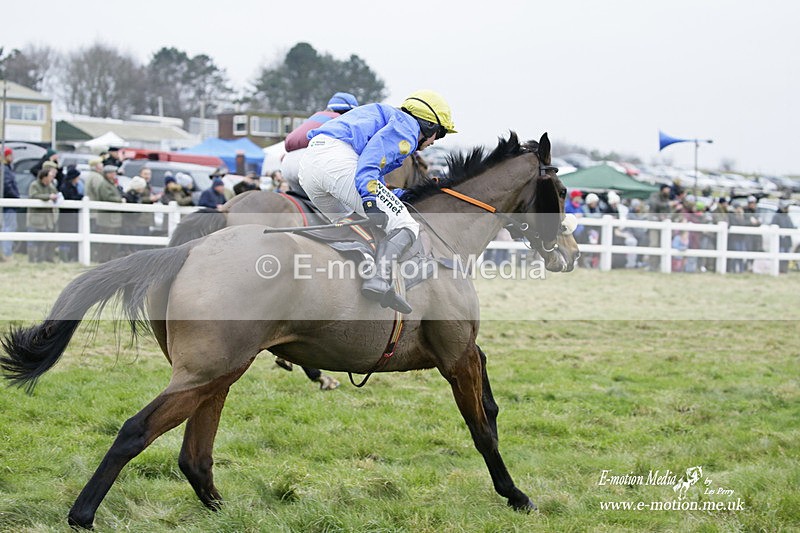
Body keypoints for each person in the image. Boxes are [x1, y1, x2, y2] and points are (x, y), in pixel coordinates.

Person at [299, 89, 456, 313]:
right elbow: (369, 162)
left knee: (352, 225)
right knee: (407, 225)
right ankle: (379, 280)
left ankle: (356, 278)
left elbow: (376, 174)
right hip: (337, 162)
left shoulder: (388, 119)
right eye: (439, 134)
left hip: (311, 167)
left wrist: (402, 196)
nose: (434, 142)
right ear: (429, 125)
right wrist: (370, 200)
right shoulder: (407, 128)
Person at [281, 92, 360, 192]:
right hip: (310, 164)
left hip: (287, 165)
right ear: (349, 111)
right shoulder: (344, 121)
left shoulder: (316, 116)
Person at [27, 168, 59, 262]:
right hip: (35, 218)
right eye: (49, 177)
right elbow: (33, 196)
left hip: (47, 219)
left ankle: (40, 259)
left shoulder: (50, 186)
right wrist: (48, 197)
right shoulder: (34, 185)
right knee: (32, 241)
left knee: (43, 241)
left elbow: (56, 193)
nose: (51, 179)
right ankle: (31, 260)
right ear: (44, 177)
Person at [94, 165, 124, 263]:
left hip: (113, 218)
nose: (114, 175)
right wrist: (119, 200)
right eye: (112, 173)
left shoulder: (112, 184)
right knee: (106, 240)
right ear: (107, 174)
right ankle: (103, 259)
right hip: (107, 218)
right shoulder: (104, 184)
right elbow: (107, 197)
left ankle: (109, 258)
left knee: (112, 240)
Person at [57, 166, 84, 261]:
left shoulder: (73, 186)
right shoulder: (65, 187)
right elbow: (70, 198)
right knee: (66, 237)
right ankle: (64, 257)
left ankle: (71, 256)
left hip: (72, 216)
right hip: (66, 216)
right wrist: (80, 197)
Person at [2, 147, 20, 261]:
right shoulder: (5, 169)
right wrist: (15, 196)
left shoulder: (6, 168)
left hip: (8, 202)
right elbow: (7, 185)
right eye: (10, 155)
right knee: (9, 228)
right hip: (9, 203)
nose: (12, 157)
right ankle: (6, 253)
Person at [771, 201, 795, 273]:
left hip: (787, 241)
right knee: (780, 256)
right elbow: (773, 226)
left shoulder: (788, 217)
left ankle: (785, 270)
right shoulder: (776, 216)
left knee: (786, 256)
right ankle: (779, 269)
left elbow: (791, 227)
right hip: (780, 241)